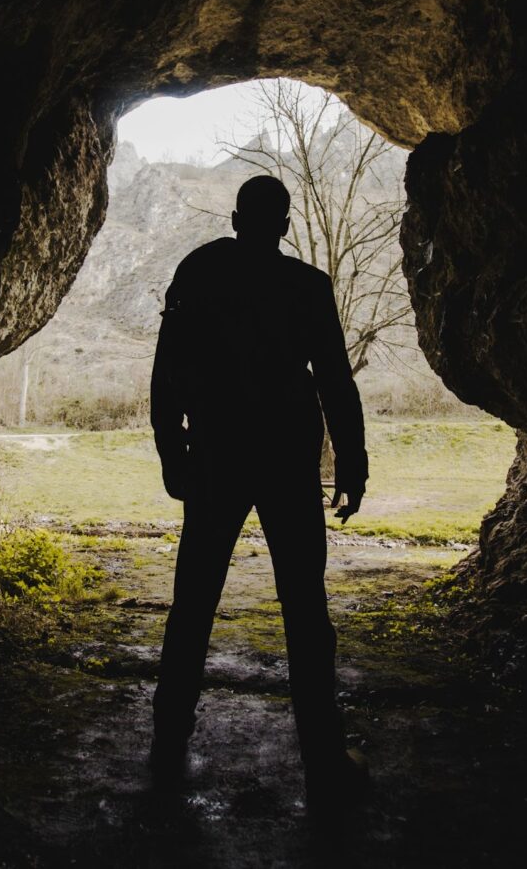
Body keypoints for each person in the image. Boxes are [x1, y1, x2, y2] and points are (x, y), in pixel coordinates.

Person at [149, 174, 369, 808]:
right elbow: (333, 380)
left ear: (237, 217)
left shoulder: (200, 270)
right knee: (304, 609)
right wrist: (350, 465)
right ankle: (323, 757)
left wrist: (172, 449)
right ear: (286, 223)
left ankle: (168, 743)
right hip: (286, 461)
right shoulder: (307, 287)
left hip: (217, 454)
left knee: (193, 602)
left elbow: (169, 367)